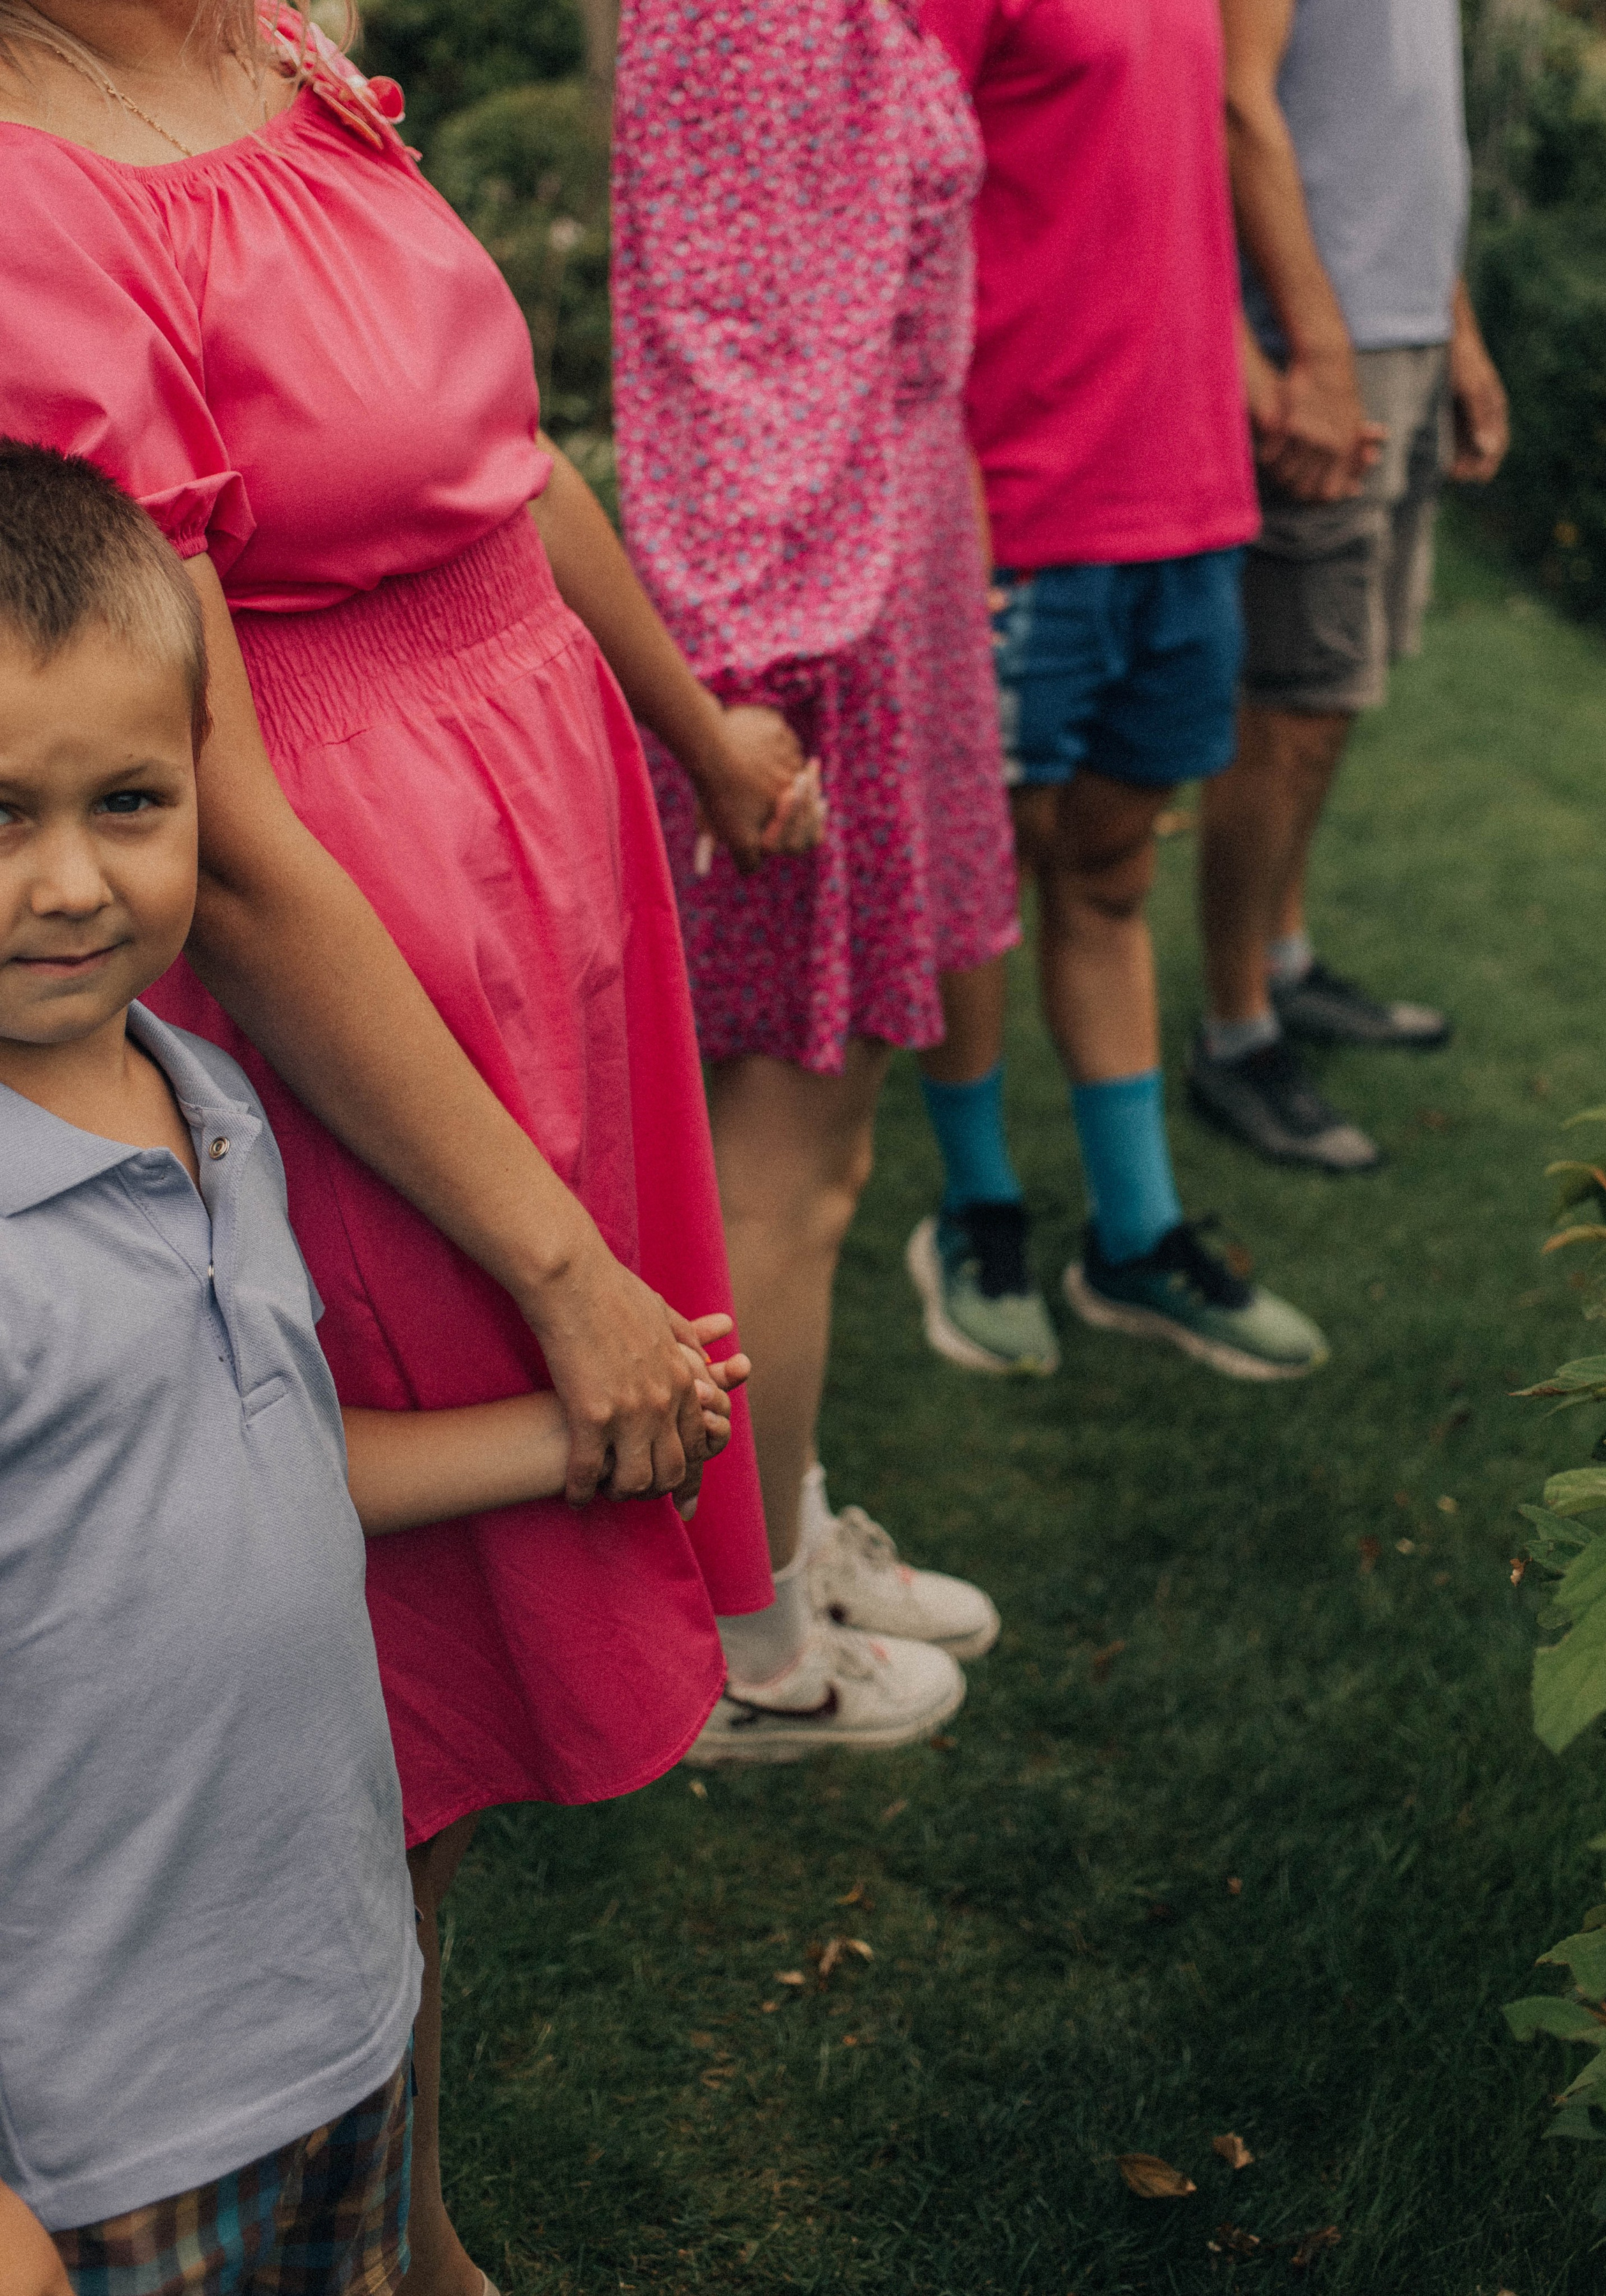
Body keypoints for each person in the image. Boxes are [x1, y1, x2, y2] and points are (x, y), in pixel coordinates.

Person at [0, 9, 781, 2290]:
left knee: (433, 1668)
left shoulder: (275, 44)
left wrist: (679, 732)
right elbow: (196, 812)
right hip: (345, 983)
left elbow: (499, 453)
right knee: (384, 1663)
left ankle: (398, 2214)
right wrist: (557, 1268)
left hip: (541, 912)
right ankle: (368, 2223)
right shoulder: (25, 201)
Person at [612, 0, 1016, 1761]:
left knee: (803, 1154)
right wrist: (741, 701)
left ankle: (780, 1531)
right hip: (811, 625)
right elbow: (741, 357)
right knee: (790, 1160)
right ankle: (747, 1647)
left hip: (880, 579)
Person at [903, 0, 1330, 1385]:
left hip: (1187, 492)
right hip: (1025, 495)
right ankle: (976, 1215)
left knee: (1109, 868)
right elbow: (909, 206)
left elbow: (1164, 179)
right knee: (975, 892)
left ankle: (1133, 1240)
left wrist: (1251, 368)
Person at [1188, 0, 1510, 1172]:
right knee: (1286, 706)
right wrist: (1317, 353)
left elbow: (1402, 140)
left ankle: (1283, 957)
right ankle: (1233, 1028)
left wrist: (1455, 329)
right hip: (1333, 341)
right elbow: (1238, 98)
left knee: (1333, 701)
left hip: (1404, 329)